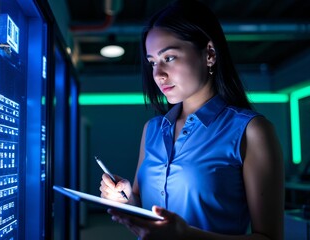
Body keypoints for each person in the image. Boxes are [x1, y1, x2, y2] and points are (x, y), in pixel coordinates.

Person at [99, 0, 285, 239]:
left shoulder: (251, 131)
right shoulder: (153, 129)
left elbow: (270, 237)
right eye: (152, 62)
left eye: (169, 58)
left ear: (209, 54)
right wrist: (127, 199)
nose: (158, 74)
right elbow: (144, 212)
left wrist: (185, 235)